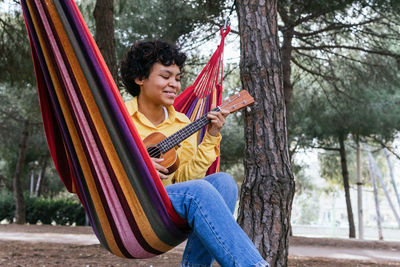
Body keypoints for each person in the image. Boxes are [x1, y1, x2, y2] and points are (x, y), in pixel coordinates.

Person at [121, 40, 268, 267]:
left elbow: (186, 180)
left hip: (165, 207)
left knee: (224, 182)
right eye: (165, 76)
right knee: (199, 191)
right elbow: (100, 166)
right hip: (129, 205)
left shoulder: (182, 124)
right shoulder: (116, 118)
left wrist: (212, 135)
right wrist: (139, 167)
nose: (174, 84)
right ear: (140, 78)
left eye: (178, 78)